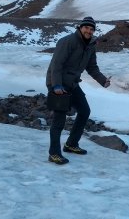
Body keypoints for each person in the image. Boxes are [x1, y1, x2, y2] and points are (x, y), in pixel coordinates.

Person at [46, 16, 111, 165]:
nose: (89, 30)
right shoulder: (67, 41)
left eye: (92, 28)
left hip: (72, 84)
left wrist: (103, 80)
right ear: (80, 28)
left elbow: (92, 67)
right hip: (58, 83)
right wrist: (56, 86)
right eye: (86, 27)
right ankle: (54, 153)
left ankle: (71, 144)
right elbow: (56, 65)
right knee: (59, 121)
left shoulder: (90, 45)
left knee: (84, 111)